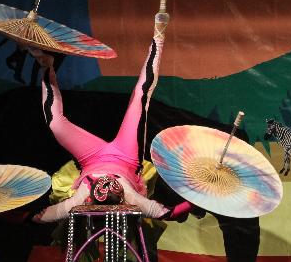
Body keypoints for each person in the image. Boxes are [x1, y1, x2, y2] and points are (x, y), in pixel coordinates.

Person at [30, 11, 190, 222]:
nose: (106, 179)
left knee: (56, 124)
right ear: (121, 197)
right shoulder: (133, 199)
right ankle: (159, 37)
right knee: (140, 97)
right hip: (127, 157)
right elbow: (170, 213)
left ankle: (47, 67)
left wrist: (7, 212)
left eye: (102, 184)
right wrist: (196, 200)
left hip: (91, 158)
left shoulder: (79, 200)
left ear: (90, 199)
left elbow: (40, 217)